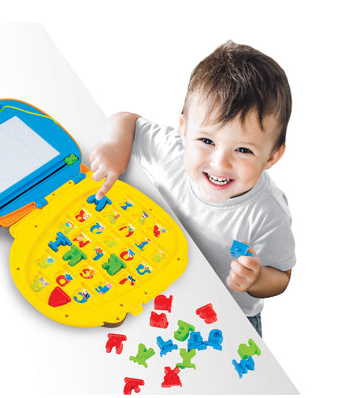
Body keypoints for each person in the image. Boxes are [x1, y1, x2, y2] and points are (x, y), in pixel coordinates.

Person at [89, 41, 296, 337]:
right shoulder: (172, 151)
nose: (220, 162)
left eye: (243, 150)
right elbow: (126, 120)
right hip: (161, 281)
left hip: (227, 316)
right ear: (184, 129)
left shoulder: (268, 212)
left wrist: (258, 278)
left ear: (272, 156)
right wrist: (114, 147)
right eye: (207, 141)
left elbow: (282, 276)